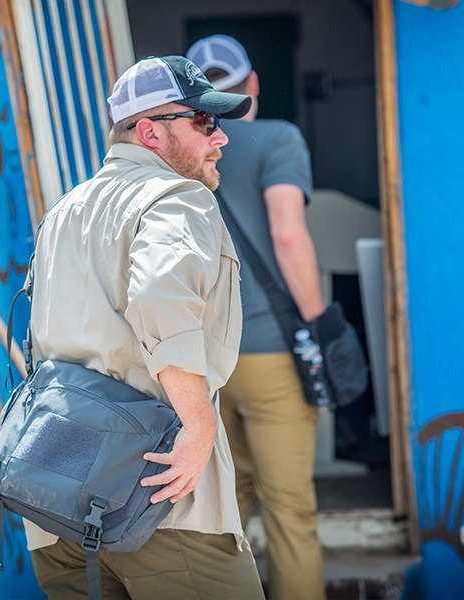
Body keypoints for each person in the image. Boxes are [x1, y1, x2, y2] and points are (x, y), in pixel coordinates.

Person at [24, 55, 265, 600]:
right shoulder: (177, 197)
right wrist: (198, 427)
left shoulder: (63, 210)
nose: (220, 138)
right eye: (203, 121)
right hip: (159, 499)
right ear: (151, 132)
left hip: (57, 502)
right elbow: (160, 296)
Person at [187, 35, 326, 600]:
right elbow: (288, 235)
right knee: (289, 510)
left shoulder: (179, 151)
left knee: (224, 510)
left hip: (199, 364)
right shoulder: (278, 138)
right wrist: (317, 326)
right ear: (253, 85)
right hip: (271, 354)